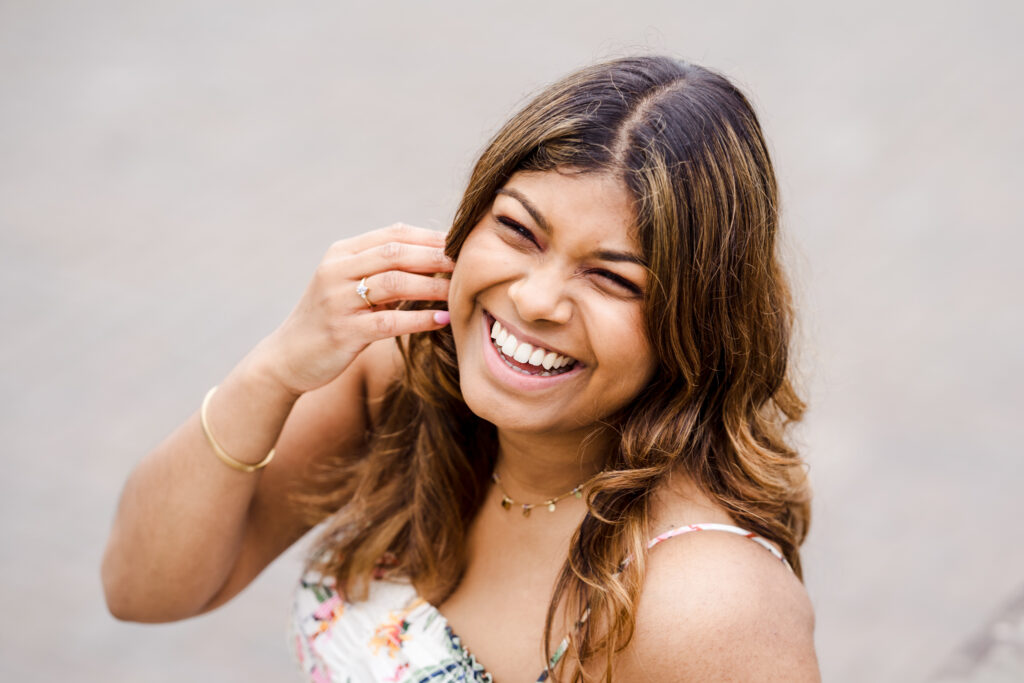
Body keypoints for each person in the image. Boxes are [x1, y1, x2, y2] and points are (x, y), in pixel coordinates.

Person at [102, 55, 819, 681]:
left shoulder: (711, 602)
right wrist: (275, 370)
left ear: (694, 326)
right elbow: (143, 589)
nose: (535, 300)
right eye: (517, 230)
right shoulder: (399, 376)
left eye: (612, 279)